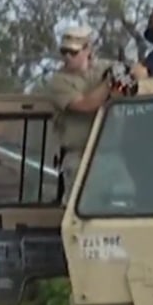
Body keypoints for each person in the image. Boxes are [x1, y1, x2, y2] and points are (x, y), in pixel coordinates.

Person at [42, 25, 114, 198]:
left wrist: (129, 76)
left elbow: (137, 75)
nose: (67, 57)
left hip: (111, 154)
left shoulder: (104, 68)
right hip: (79, 155)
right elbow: (86, 105)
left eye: (73, 52)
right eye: (64, 52)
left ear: (88, 50)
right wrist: (109, 84)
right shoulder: (59, 81)